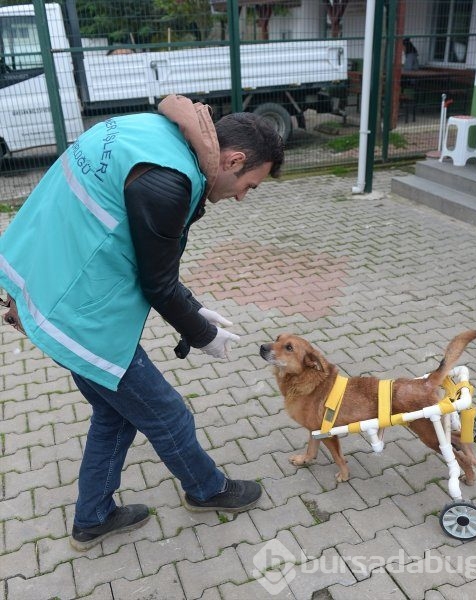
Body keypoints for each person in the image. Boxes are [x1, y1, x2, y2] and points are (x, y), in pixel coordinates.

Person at [0, 94, 284, 551]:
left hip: (49, 287)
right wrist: (202, 333)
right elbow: (156, 283)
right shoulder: (170, 182)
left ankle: (93, 518)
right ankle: (207, 489)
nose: (242, 197)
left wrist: (192, 305)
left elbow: (152, 260)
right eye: (250, 185)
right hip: (78, 315)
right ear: (232, 159)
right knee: (167, 413)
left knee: (115, 414)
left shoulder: (151, 133)